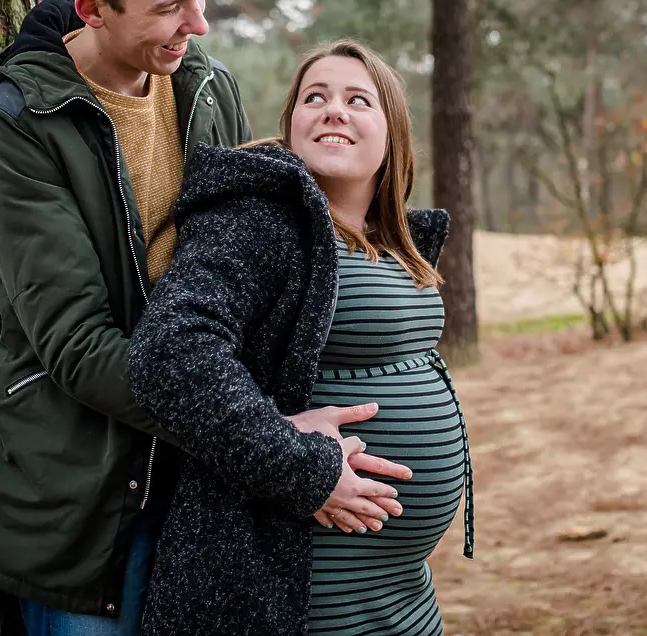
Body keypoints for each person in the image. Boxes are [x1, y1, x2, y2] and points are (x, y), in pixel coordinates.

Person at [0, 0, 251, 635]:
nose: (200, 22)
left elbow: (245, 264)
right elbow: (79, 345)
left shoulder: (210, 87)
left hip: (204, 486)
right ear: (93, 9)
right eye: (168, 8)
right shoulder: (19, 126)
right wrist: (249, 423)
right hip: (82, 505)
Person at [126, 39, 475, 635]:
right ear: (291, 128)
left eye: (357, 99)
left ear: (391, 135)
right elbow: (171, 352)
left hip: (400, 589)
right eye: (315, 97)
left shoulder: (394, 239)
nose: (333, 109)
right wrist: (300, 469)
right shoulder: (259, 216)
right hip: (299, 588)